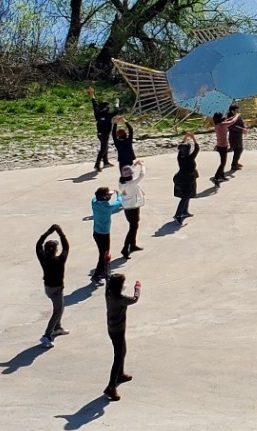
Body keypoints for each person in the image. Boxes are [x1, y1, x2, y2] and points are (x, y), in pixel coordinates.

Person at [102, 273, 142, 401]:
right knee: (118, 356)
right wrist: (137, 288)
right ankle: (111, 386)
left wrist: (107, 261)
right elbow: (135, 299)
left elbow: (107, 277)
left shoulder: (108, 292)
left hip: (112, 328)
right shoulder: (120, 299)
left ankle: (120, 374)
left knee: (122, 351)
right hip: (118, 330)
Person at [35, 224, 69, 347]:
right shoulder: (60, 260)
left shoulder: (43, 258)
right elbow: (66, 247)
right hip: (57, 289)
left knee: (60, 307)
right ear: (55, 250)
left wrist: (48, 232)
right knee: (58, 310)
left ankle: (57, 327)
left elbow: (38, 245)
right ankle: (47, 335)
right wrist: (61, 233)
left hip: (48, 288)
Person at [90, 186, 123, 283]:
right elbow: (119, 202)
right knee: (104, 254)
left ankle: (104, 272)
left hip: (96, 232)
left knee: (103, 253)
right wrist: (119, 194)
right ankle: (97, 275)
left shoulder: (94, 202)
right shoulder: (108, 208)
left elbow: (96, 197)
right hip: (104, 234)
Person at [118, 160, 146, 256]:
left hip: (127, 207)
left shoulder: (121, 182)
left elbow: (128, 173)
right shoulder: (131, 183)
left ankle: (133, 245)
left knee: (134, 226)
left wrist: (134, 165)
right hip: (133, 207)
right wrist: (142, 165)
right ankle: (125, 248)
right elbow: (142, 174)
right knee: (133, 227)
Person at [173, 132, 199, 222]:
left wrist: (186, 137)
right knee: (185, 196)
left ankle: (184, 211)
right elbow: (197, 149)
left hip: (181, 177)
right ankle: (178, 214)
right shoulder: (190, 158)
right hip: (188, 179)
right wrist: (193, 138)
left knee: (187, 195)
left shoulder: (180, 157)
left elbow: (180, 146)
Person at [90, 89, 114, 172]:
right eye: (107, 107)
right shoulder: (108, 115)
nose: (108, 108)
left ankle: (106, 162)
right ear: (104, 109)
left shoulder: (97, 113)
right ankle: (97, 165)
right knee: (103, 149)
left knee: (105, 147)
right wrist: (117, 104)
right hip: (104, 134)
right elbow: (117, 111)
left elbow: (94, 103)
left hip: (100, 134)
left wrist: (92, 94)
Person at [212, 111, 232, 184]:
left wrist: (231, 117)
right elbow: (232, 122)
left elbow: (226, 120)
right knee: (223, 162)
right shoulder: (222, 125)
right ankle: (216, 177)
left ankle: (222, 175)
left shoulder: (217, 124)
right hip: (222, 146)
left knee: (223, 161)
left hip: (220, 146)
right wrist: (236, 116)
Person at [227, 103, 246, 173]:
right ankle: (234, 165)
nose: (238, 111)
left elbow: (241, 122)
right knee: (237, 150)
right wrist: (241, 130)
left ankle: (236, 162)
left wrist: (244, 127)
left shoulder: (237, 116)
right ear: (232, 111)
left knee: (240, 149)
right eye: (236, 110)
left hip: (239, 135)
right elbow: (232, 126)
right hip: (233, 136)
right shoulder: (229, 117)